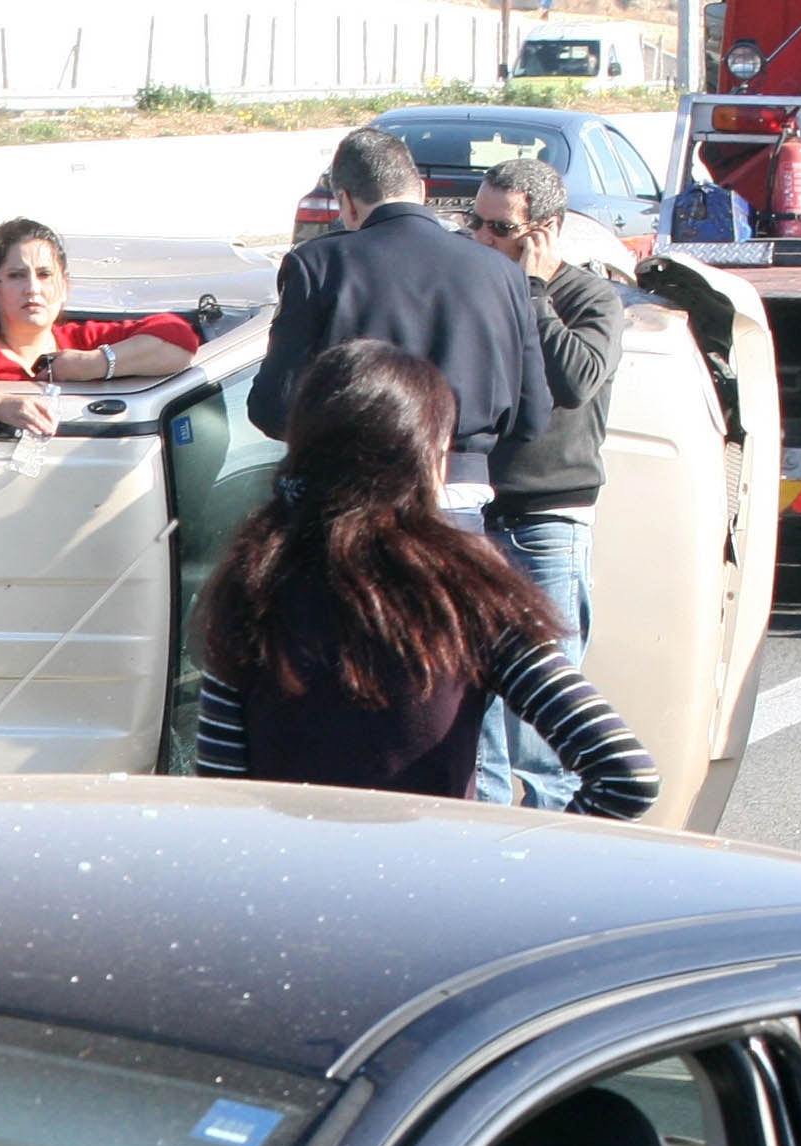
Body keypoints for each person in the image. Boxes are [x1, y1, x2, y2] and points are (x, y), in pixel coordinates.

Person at [192, 339, 655, 816]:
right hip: (436, 883)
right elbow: (626, 775)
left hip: (286, 883)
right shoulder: (468, 590)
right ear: (424, 458)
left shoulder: (254, 584)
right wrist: (518, 877)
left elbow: (223, 799)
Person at [248, 125, 550, 526]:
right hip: (459, 497)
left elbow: (273, 407)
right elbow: (532, 416)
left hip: (353, 499)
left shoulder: (318, 265)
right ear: (420, 191)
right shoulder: (501, 271)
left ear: (347, 203)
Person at [468, 156, 626, 806]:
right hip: (477, 516)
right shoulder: (478, 288)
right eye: (474, 222)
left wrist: (533, 292)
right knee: (476, 717)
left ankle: (542, 855)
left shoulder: (590, 298)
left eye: (500, 228)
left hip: (548, 524)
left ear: (545, 231)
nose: (483, 239)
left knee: (539, 726)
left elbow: (574, 381)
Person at [0, 219, 202, 430]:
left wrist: (92, 364)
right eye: (17, 276)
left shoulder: (81, 340)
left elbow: (178, 340)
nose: (33, 288)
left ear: (65, 285)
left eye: (45, 275)